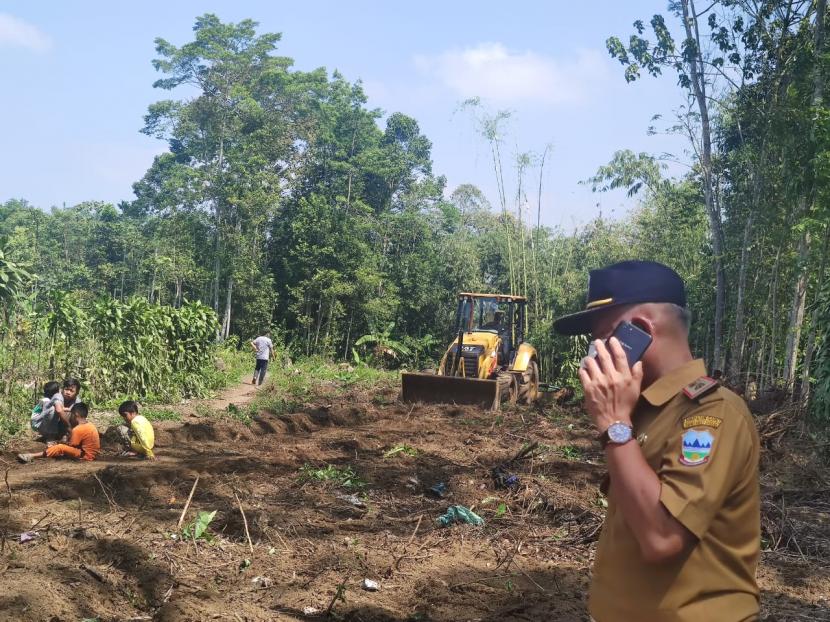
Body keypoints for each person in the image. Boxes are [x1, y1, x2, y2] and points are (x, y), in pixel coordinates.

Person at [553, 260, 760, 622]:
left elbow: (662, 539)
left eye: (601, 340)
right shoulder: (645, 410)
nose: (592, 356)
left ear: (640, 331)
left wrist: (614, 424)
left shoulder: (713, 414)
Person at [17, 402, 100, 463]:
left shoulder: (78, 429)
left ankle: (32, 456)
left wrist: (60, 444)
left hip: (85, 456)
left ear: (76, 414)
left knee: (60, 447)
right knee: (60, 447)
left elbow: (73, 445)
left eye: (71, 415)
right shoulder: (90, 425)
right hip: (91, 454)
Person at [34, 377, 81, 444]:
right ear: (62, 389)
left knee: (75, 413)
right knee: (54, 410)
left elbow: (80, 417)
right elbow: (59, 410)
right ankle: (50, 436)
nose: (68, 392)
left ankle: (64, 435)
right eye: (66, 389)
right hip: (42, 425)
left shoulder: (77, 401)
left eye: (71, 391)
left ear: (77, 393)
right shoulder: (58, 396)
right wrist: (68, 426)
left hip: (58, 426)